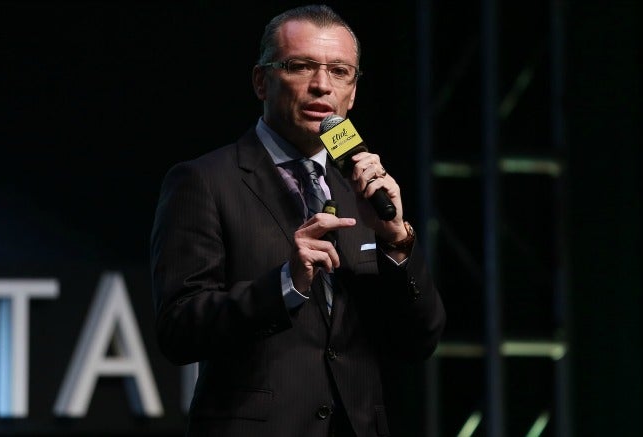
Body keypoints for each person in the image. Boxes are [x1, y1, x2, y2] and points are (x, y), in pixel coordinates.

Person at [150, 4, 445, 437]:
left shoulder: (364, 187)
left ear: (353, 93)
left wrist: (398, 244)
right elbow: (178, 330)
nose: (321, 85)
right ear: (261, 81)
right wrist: (286, 284)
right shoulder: (205, 182)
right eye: (300, 66)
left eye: (340, 71)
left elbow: (419, 341)